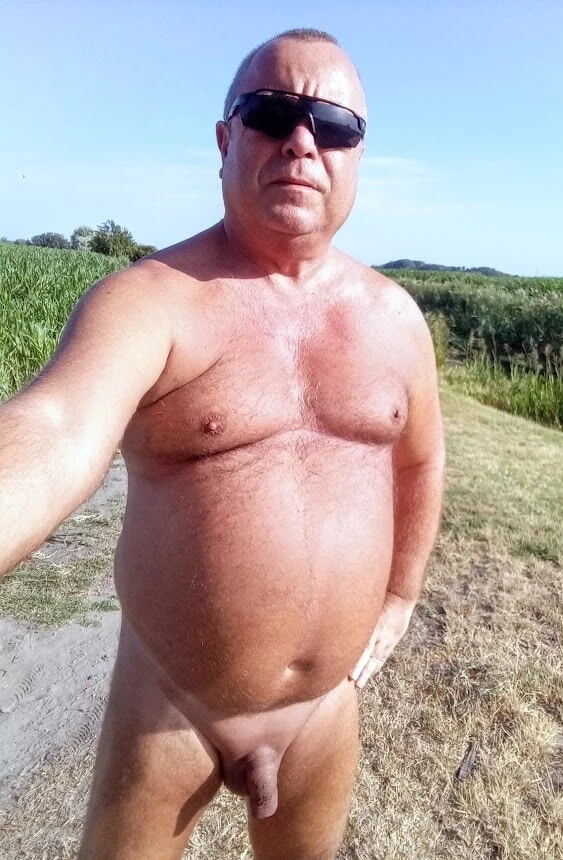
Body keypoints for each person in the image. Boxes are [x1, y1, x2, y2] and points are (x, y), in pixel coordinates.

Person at [0, 28, 444, 860]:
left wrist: (400, 596)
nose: (302, 141)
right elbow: (55, 426)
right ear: (224, 137)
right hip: (171, 706)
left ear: (356, 154)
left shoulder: (395, 319)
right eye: (273, 112)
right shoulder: (149, 301)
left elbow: (419, 460)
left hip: (324, 711)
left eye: (333, 125)